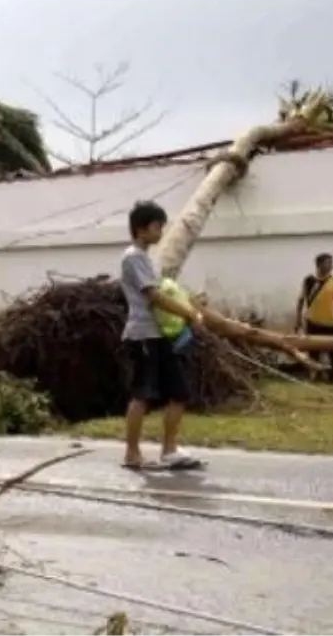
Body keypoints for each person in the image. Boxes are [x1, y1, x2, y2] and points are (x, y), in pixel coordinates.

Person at [120, 200, 204, 470]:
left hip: (160, 335)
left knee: (179, 391)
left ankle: (169, 450)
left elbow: (165, 292)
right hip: (143, 335)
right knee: (142, 394)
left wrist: (190, 305)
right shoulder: (133, 257)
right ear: (141, 229)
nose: (161, 231)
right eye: (157, 226)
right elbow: (154, 296)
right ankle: (132, 454)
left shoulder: (146, 259)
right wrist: (188, 313)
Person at [295, 253, 333, 382]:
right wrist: (297, 320)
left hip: (332, 322)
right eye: (328, 263)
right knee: (313, 352)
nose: (331, 266)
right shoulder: (309, 281)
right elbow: (301, 300)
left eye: (332, 263)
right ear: (319, 265)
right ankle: (315, 376)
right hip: (313, 321)